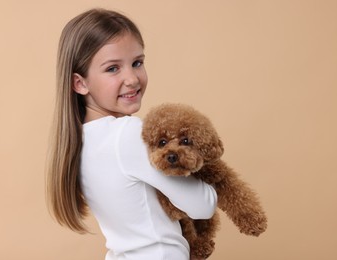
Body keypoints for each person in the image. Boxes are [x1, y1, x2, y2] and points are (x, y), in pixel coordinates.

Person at [46, 8, 217, 260]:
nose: (132, 78)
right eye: (113, 69)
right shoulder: (127, 134)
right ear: (80, 83)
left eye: (137, 63)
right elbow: (203, 205)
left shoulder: (80, 142)